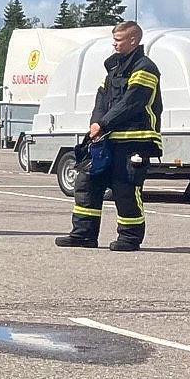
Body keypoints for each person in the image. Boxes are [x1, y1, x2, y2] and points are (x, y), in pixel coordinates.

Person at [56, 20, 161, 252]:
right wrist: (96, 122)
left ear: (133, 40)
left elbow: (132, 102)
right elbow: (101, 99)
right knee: (87, 183)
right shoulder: (113, 69)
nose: (114, 44)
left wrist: (103, 123)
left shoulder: (145, 68)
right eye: (113, 39)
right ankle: (83, 235)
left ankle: (129, 238)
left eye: (118, 40)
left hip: (135, 139)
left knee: (125, 189)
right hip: (107, 140)